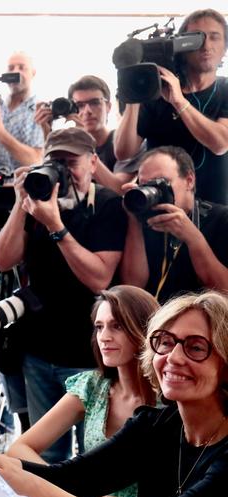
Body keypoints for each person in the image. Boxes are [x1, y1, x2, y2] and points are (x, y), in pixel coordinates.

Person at [0, 290, 228, 497]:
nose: (174, 358)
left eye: (196, 347)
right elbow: (72, 478)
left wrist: (21, 479)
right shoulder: (156, 425)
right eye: (165, 342)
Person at [0, 127, 127, 462]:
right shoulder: (37, 204)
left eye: (72, 162)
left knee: (95, 456)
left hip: (89, 357)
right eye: (55, 162)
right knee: (46, 454)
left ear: (93, 162)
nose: (63, 171)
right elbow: (3, 259)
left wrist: (56, 226)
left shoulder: (108, 206)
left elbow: (99, 279)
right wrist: (21, 204)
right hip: (39, 351)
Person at [6, 285, 158, 497]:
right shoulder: (92, 385)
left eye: (116, 326)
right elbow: (18, 448)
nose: (104, 337)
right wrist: (66, 489)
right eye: (99, 327)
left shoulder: (170, 399)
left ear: (144, 329)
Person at [115, 9, 228, 204]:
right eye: (198, 38)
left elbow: (220, 144)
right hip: (158, 203)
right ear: (182, 45)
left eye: (214, 37)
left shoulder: (225, 89)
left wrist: (179, 102)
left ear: (225, 46)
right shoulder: (155, 93)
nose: (206, 45)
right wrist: (135, 90)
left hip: (214, 210)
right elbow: (124, 152)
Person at [120, 146, 228, 303]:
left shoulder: (221, 219)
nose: (153, 191)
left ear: (189, 181)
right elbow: (133, 286)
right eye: (145, 185)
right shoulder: (144, 219)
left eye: (161, 183)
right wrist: (133, 218)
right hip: (152, 321)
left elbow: (224, 291)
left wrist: (193, 238)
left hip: (200, 321)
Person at [35, 75, 135, 193]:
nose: (87, 111)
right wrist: (47, 133)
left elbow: (119, 189)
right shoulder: (67, 145)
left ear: (108, 106)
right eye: (79, 105)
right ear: (71, 109)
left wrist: (83, 141)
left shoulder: (126, 143)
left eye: (95, 102)